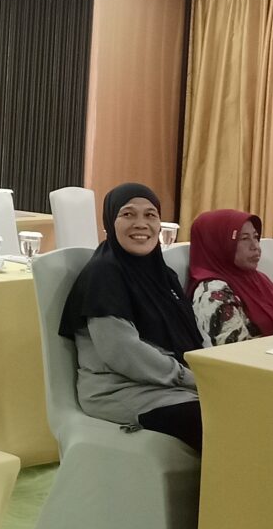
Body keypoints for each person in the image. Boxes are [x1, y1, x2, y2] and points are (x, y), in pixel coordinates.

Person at [59, 182, 205, 452]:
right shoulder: (104, 274)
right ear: (109, 222)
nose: (141, 223)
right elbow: (122, 352)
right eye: (128, 214)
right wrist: (189, 377)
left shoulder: (163, 276)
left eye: (150, 215)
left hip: (172, 387)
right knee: (218, 422)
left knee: (251, 407)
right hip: (123, 390)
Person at [187, 209, 273, 346]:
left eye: (256, 237)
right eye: (244, 238)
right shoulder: (213, 293)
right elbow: (235, 351)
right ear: (219, 244)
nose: (256, 246)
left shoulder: (258, 280)